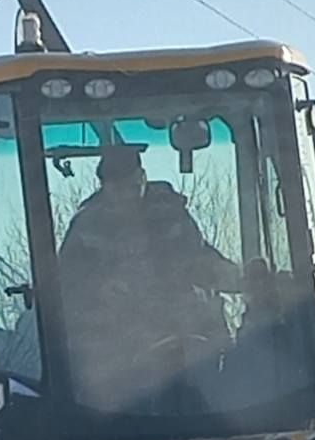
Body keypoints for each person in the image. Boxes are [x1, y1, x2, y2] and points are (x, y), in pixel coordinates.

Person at [58, 147, 244, 411]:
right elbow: (64, 287)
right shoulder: (85, 229)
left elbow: (200, 258)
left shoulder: (171, 214)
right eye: (118, 191)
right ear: (104, 187)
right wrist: (100, 290)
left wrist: (235, 277)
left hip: (188, 342)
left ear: (142, 177)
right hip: (118, 356)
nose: (127, 197)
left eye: (133, 187)